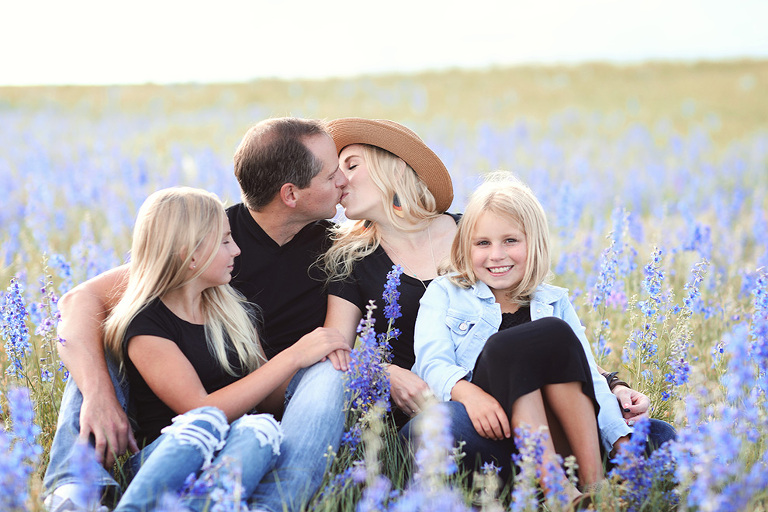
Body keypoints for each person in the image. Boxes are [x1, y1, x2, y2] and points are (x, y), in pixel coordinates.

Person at [320, 119, 672, 472]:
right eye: (336, 170)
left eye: (351, 165)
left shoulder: (477, 230)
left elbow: (557, 340)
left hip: (540, 401)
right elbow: (335, 352)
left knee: (659, 436)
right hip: (456, 408)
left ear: (394, 167)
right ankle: (558, 475)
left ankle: (569, 476)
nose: (339, 180)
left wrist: (613, 386)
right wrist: (386, 373)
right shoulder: (352, 260)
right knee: (443, 427)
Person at [43, 118, 349, 512]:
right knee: (99, 332)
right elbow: (79, 300)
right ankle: (76, 489)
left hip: (264, 408)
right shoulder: (209, 238)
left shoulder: (338, 249)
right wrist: (98, 395)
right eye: (332, 174)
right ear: (290, 194)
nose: (343, 181)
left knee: (322, 379)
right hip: (180, 413)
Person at [105, 187, 349, 511]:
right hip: (168, 459)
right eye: (224, 241)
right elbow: (199, 410)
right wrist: (293, 356)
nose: (236, 250)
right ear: (190, 255)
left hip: (236, 450)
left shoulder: (234, 310)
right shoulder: (146, 324)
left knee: (259, 430)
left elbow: (266, 399)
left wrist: (313, 370)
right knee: (217, 427)